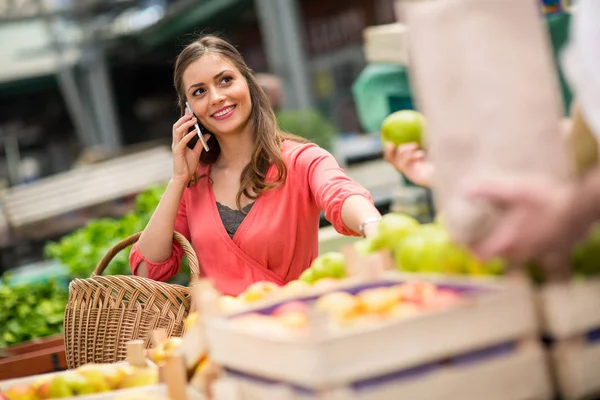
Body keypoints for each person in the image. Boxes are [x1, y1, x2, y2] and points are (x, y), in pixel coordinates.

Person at [130, 35, 382, 296]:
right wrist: (178, 179)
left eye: (225, 80)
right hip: (223, 333)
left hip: (295, 322)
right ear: (189, 111)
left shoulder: (301, 160)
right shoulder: (193, 183)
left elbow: (341, 194)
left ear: (248, 83)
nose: (216, 97)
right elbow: (147, 273)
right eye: (199, 92)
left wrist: (372, 225)